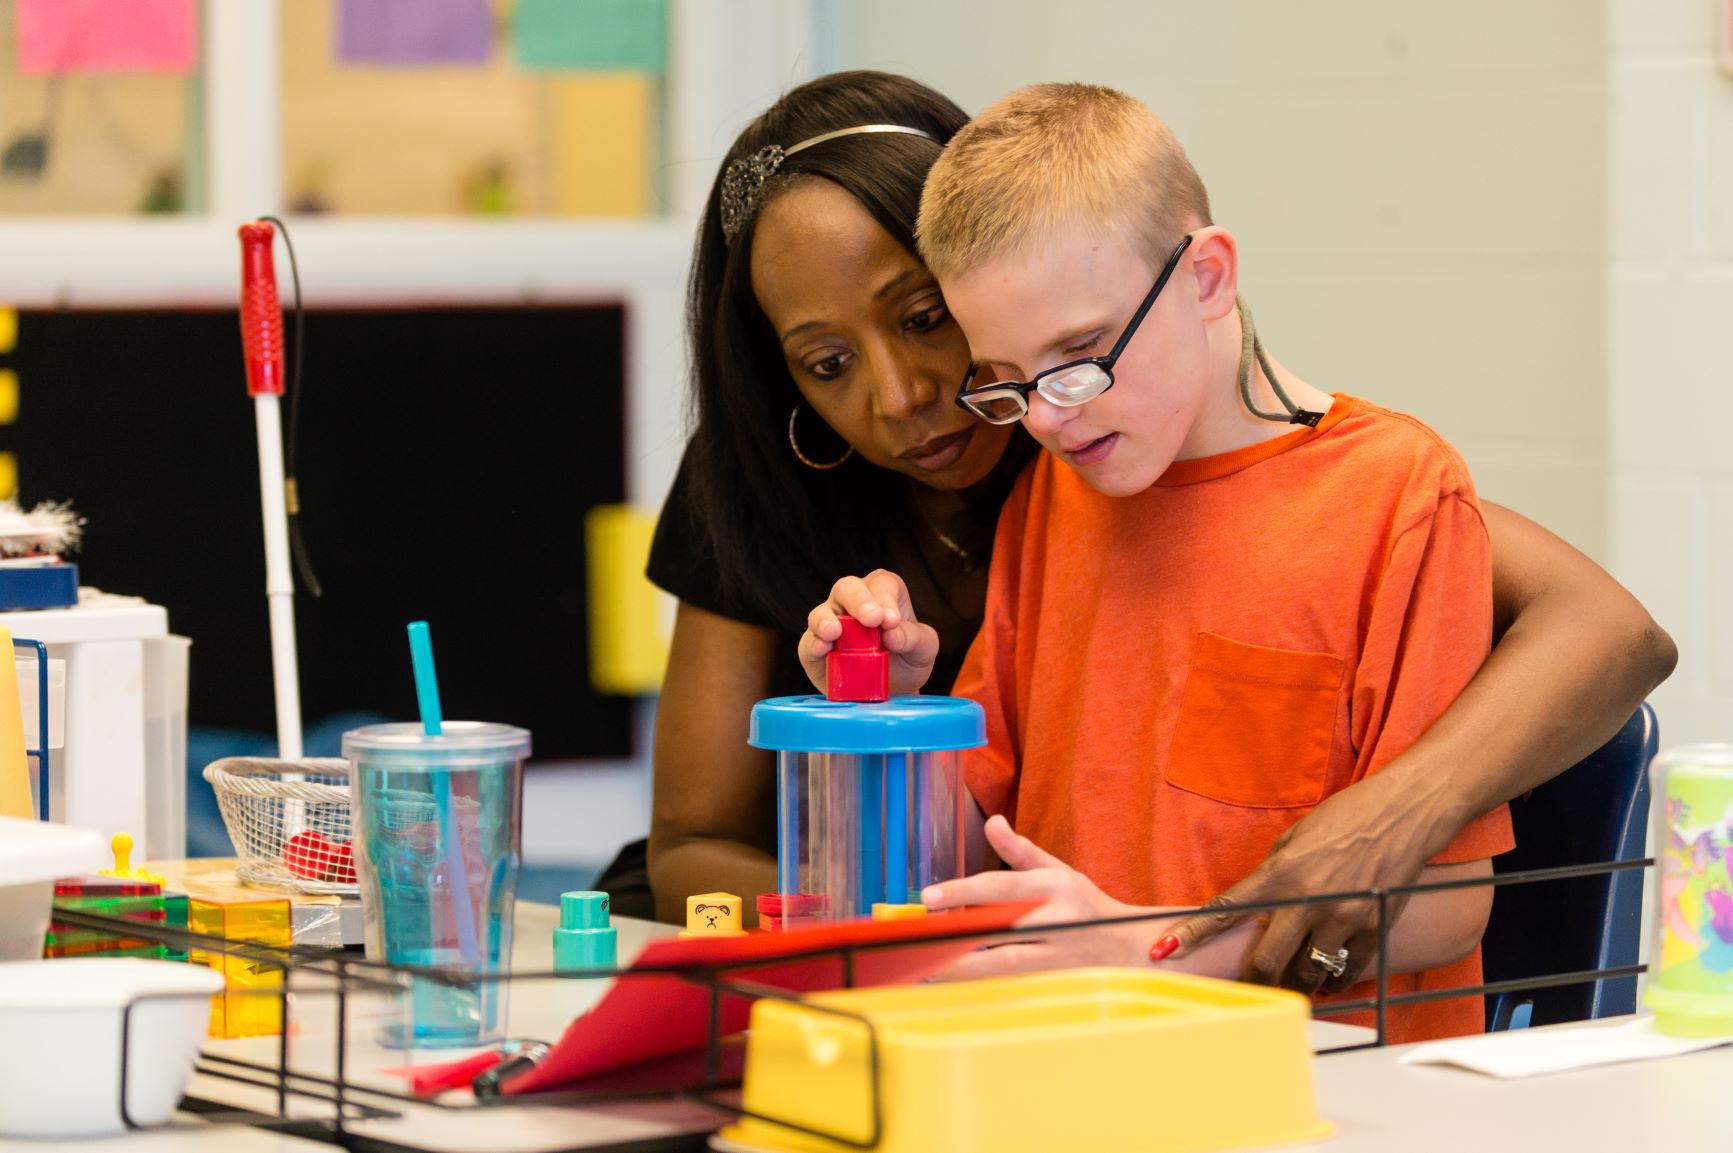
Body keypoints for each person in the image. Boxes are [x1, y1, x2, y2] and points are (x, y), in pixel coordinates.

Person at [627, 72, 1677, 996]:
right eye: (1007, 380)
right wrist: (896, 716)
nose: (1039, 415)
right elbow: (973, 841)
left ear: (1207, 277)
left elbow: (1444, 907)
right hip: (1084, 1048)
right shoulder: (1061, 491)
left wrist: (1144, 954)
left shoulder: (1389, 496)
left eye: (1074, 353)